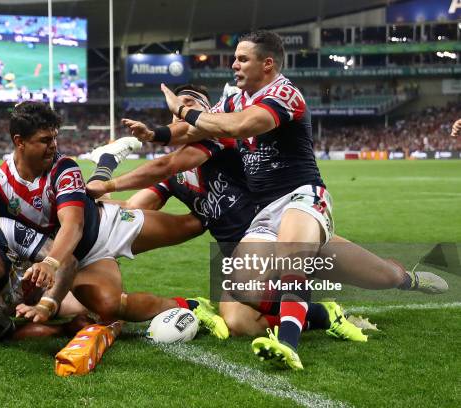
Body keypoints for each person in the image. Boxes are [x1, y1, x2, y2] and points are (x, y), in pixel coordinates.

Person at [92, 78, 448, 368]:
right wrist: (94, 192)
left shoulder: (216, 143)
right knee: (236, 322)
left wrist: (107, 177)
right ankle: (324, 315)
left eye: (196, 107)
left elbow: (163, 164)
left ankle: (410, 278)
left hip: (283, 229)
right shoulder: (174, 182)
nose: (188, 115)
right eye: (183, 108)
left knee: (384, 277)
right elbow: (132, 210)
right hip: (248, 256)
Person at [0, 101, 227, 337]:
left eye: (55, 137)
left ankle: (162, 176)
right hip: (75, 260)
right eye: (45, 140)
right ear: (19, 142)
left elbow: (74, 224)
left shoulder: (62, 168)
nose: (54, 146)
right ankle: (194, 306)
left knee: (195, 225)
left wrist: (51, 263)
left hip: (105, 228)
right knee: (110, 307)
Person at [0, 218, 90, 342]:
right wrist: (64, 329)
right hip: (22, 307)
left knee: (93, 304)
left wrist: (47, 304)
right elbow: (10, 333)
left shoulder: (4, 230)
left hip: (44, 288)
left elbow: (67, 261)